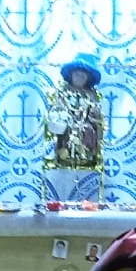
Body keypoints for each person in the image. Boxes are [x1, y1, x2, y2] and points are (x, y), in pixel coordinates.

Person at [44, 55, 104, 190]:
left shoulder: (92, 95)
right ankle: (64, 154)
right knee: (66, 131)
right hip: (67, 125)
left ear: (88, 78)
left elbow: (96, 115)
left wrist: (93, 115)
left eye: (83, 76)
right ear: (71, 75)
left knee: (88, 130)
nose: (79, 78)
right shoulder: (62, 93)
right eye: (77, 75)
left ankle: (86, 155)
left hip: (85, 125)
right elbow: (56, 110)